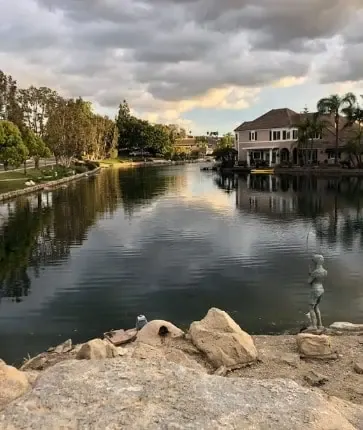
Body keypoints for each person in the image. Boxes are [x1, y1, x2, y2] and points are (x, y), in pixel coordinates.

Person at [307, 254, 327, 330]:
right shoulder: (325, 271)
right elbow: (319, 280)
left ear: (316, 262)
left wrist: (310, 275)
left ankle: (314, 326)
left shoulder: (315, 272)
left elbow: (309, 282)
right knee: (317, 307)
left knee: (311, 308)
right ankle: (320, 325)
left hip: (315, 290)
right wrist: (311, 274)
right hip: (321, 289)